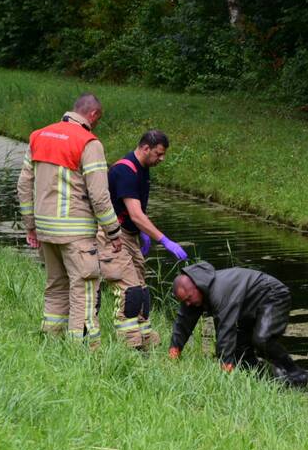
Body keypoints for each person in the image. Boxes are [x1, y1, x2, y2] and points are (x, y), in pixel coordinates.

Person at [16, 93, 121, 347]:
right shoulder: (88, 142)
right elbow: (99, 195)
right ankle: (82, 349)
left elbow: (23, 185)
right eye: (98, 119)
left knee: (55, 286)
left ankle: (51, 340)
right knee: (83, 289)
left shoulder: (39, 136)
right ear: (93, 115)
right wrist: (113, 231)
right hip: (76, 233)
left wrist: (31, 225)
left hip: (45, 230)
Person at [97, 129, 187, 349]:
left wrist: (143, 232)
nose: (161, 159)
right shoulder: (125, 171)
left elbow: (136, 213)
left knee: (142, 291)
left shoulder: (143, 168)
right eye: (158, 154)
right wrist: (163, 240)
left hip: (130, 234)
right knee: (130, 290)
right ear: (145, 148)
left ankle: (144, 339)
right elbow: (136, 214)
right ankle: (129, 345)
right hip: (113, 236)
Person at [168, 261, 308, 384]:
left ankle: (296, 373)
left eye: (189, 298)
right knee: (241, 354)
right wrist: (174, 353)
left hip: (273, 295)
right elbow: (183, 322)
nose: (188, 303)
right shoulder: (194, 297)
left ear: (196, 286)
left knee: (262, 340)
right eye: (184, 301)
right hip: (247, 307)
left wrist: (225, 368)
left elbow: (226, 330)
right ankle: (266, 380)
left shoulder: (219, 291)